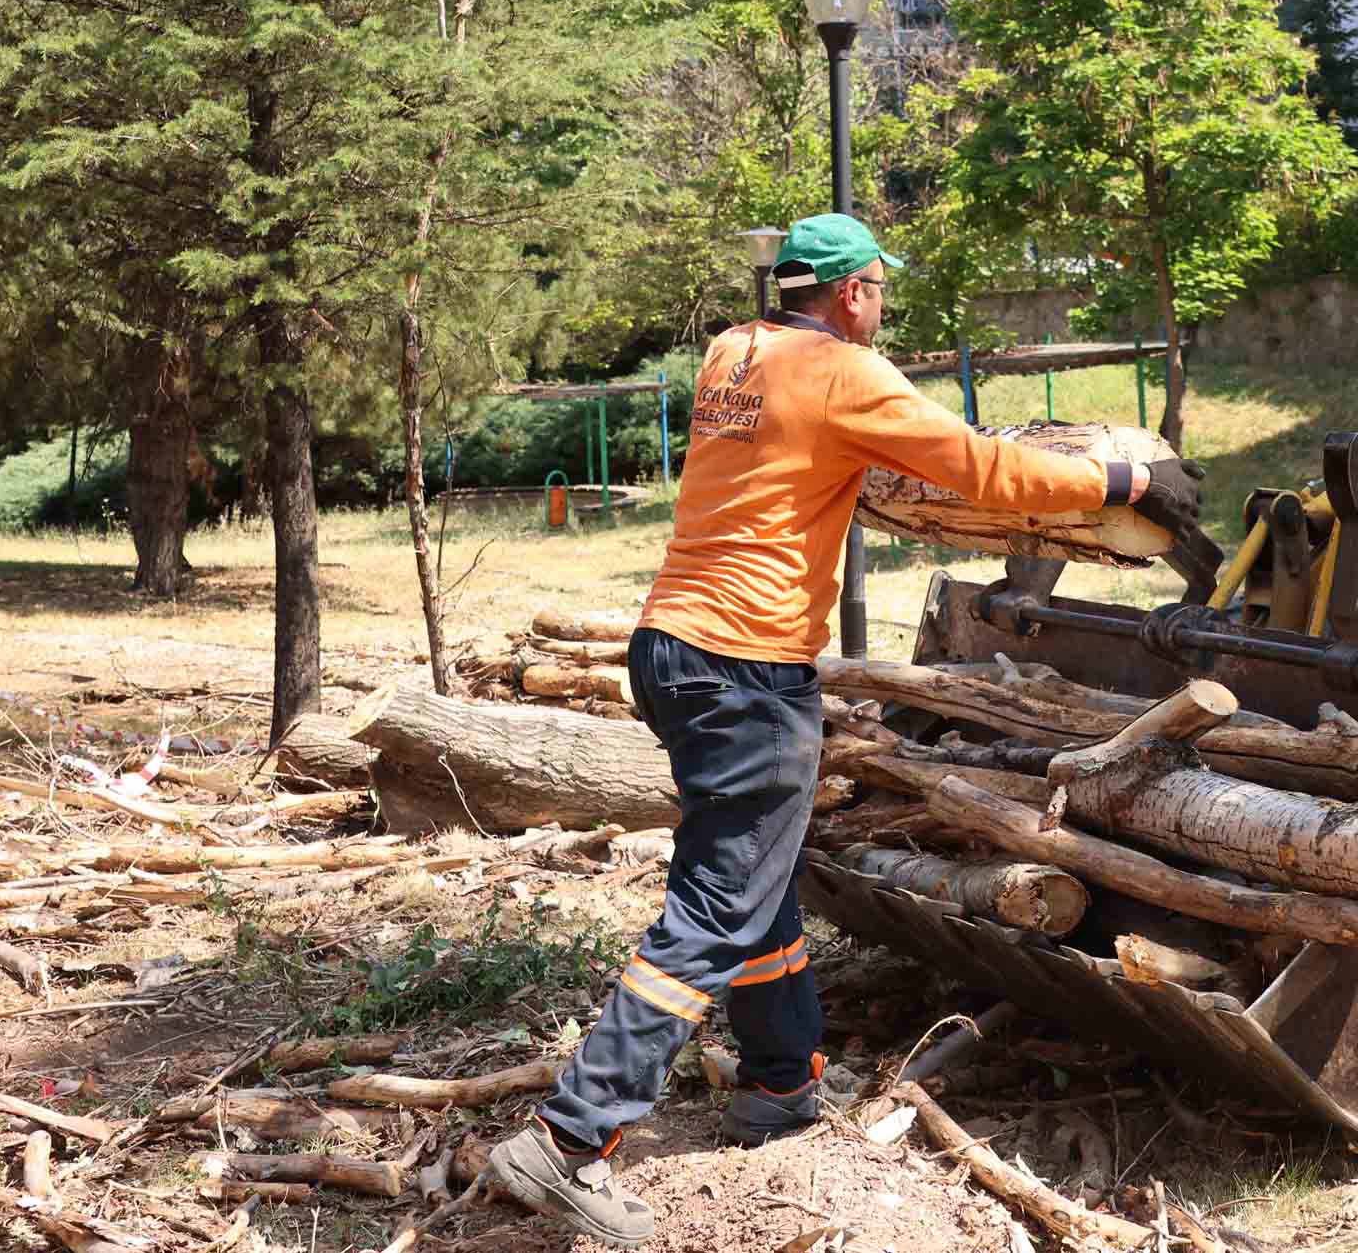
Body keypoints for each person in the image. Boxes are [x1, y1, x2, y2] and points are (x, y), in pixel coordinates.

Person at [488, 212, 1201, 1245]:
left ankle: (779, 1083)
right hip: (743, 664)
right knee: (719, 901)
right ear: (851, 291)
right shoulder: (843, 373)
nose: (882, 307)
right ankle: (569, 1139)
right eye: (878, 289)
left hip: (673, 646)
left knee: (755, 878)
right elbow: (984, 469)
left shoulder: (735, 353)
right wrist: (1126, 482)